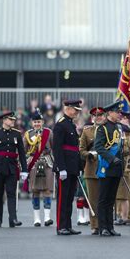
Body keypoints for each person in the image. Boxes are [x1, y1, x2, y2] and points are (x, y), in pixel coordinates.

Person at [94, 100, 124, 237]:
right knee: (103, 198)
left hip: (116, 168)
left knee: (111, 199)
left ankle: (110, 226)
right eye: (117, 112)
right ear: (110, 113)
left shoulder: (118, 127)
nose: (119, 114)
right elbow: (99, 147)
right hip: (107, 166)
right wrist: (111, 159)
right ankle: (103, 227)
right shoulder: (103, 128)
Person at [0, 111, 28, 228]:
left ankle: (13, 218)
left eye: (13, 119)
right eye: (10, 119)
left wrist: (24, 170)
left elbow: (22, 153)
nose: (13, 121)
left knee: (11, 193)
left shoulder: (17, 134)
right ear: (4, 120)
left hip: (12, 168)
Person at [53, 99, 83, 236]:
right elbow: (57, 149)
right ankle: (61, 226)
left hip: (72, 166)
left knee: (70, 197)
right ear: (68, 109)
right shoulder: (60, 125)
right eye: (75, 110)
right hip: (64, 166)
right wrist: (61, 168)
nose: (77, 112)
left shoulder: (70, 124)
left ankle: (68, 225)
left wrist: (78, 166)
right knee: (62, 198)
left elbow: (75, 149)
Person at [23, 111, 54, 227]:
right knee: (35, 190)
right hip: (33, 163)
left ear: (42, 122)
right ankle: (36, 219)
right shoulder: (27, 134)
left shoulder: (48, 133)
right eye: (35, 122)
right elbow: (24, 150)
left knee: (47, 190)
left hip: (47, 162)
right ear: (32, 123)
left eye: (39, 122)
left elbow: (53, 147)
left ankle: (47, 218)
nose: (37, 124)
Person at [79, 107, 106, 235]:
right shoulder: (87, 131)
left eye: (100, 115)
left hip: (105, 167)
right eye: (96, 115)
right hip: (91, 168)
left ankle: (105, 224)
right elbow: (81, 150)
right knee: (93, 199)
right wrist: (88, 154)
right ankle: (95, 225)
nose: (98, 117)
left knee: (105, 198)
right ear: (92, 118)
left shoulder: (109, 130)